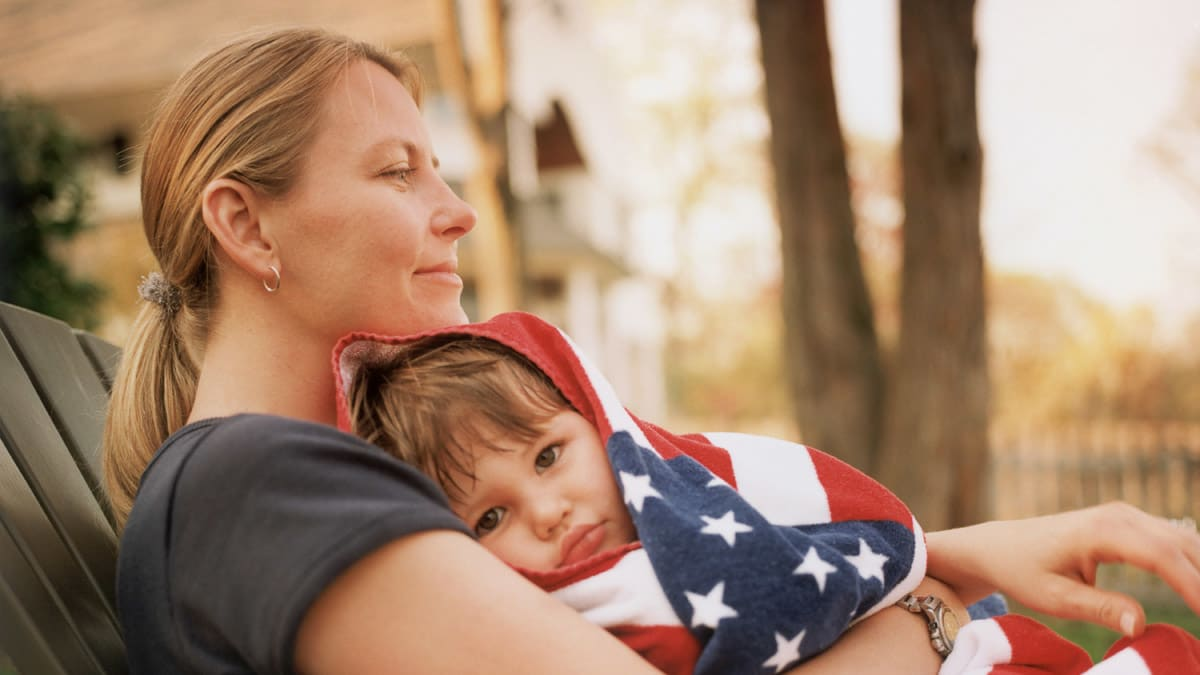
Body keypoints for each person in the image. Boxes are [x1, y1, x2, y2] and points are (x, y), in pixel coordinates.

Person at [101, 26, 1200, 675]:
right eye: (397, 173)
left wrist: (945, 552)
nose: (456, 213)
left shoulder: (305, 489)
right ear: (245, 226)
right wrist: (920, 618)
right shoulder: (256, 487)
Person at [335, 311, 1200, 675]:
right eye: (490, 517)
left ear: (602, 425)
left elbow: (828, 566)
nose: (547, 510)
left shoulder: (703, 518)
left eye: (551, 456)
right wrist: (935, 607)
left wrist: (940, 580)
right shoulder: (544, 633)